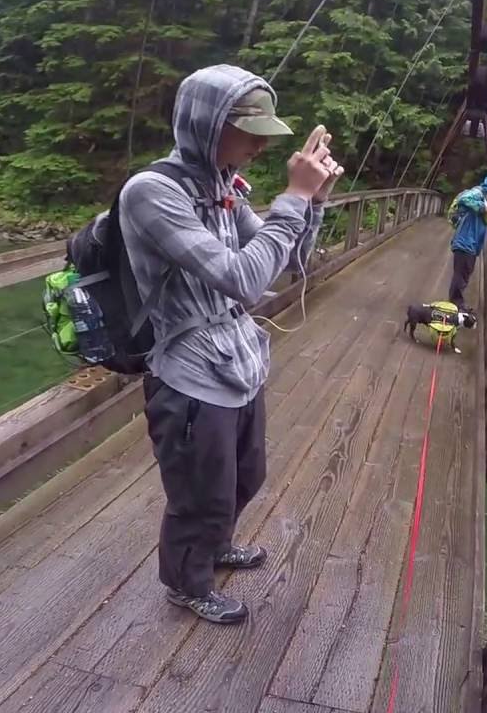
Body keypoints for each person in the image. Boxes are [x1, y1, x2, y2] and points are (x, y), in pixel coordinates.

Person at [118, 64, 343, 624]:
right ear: (208, 124)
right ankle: (186, 583)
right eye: (252, 131)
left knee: (245, 477)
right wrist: (293, 196)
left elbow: (286, 262)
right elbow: (242, 279)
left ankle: (215, 548)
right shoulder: (152, 193)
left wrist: (313, 202)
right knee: (200, 493)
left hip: (238, 365)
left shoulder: (223, 187)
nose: (263, 144)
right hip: (189, 375)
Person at [447, 171, 487, 309]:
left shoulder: (486, 202)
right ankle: (455, 305)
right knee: (460, 275)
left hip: (472, 245)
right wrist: (484, 208)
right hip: (464, 241)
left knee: (465, 273)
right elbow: (464, 199)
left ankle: (456, 304)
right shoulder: (478, 194)